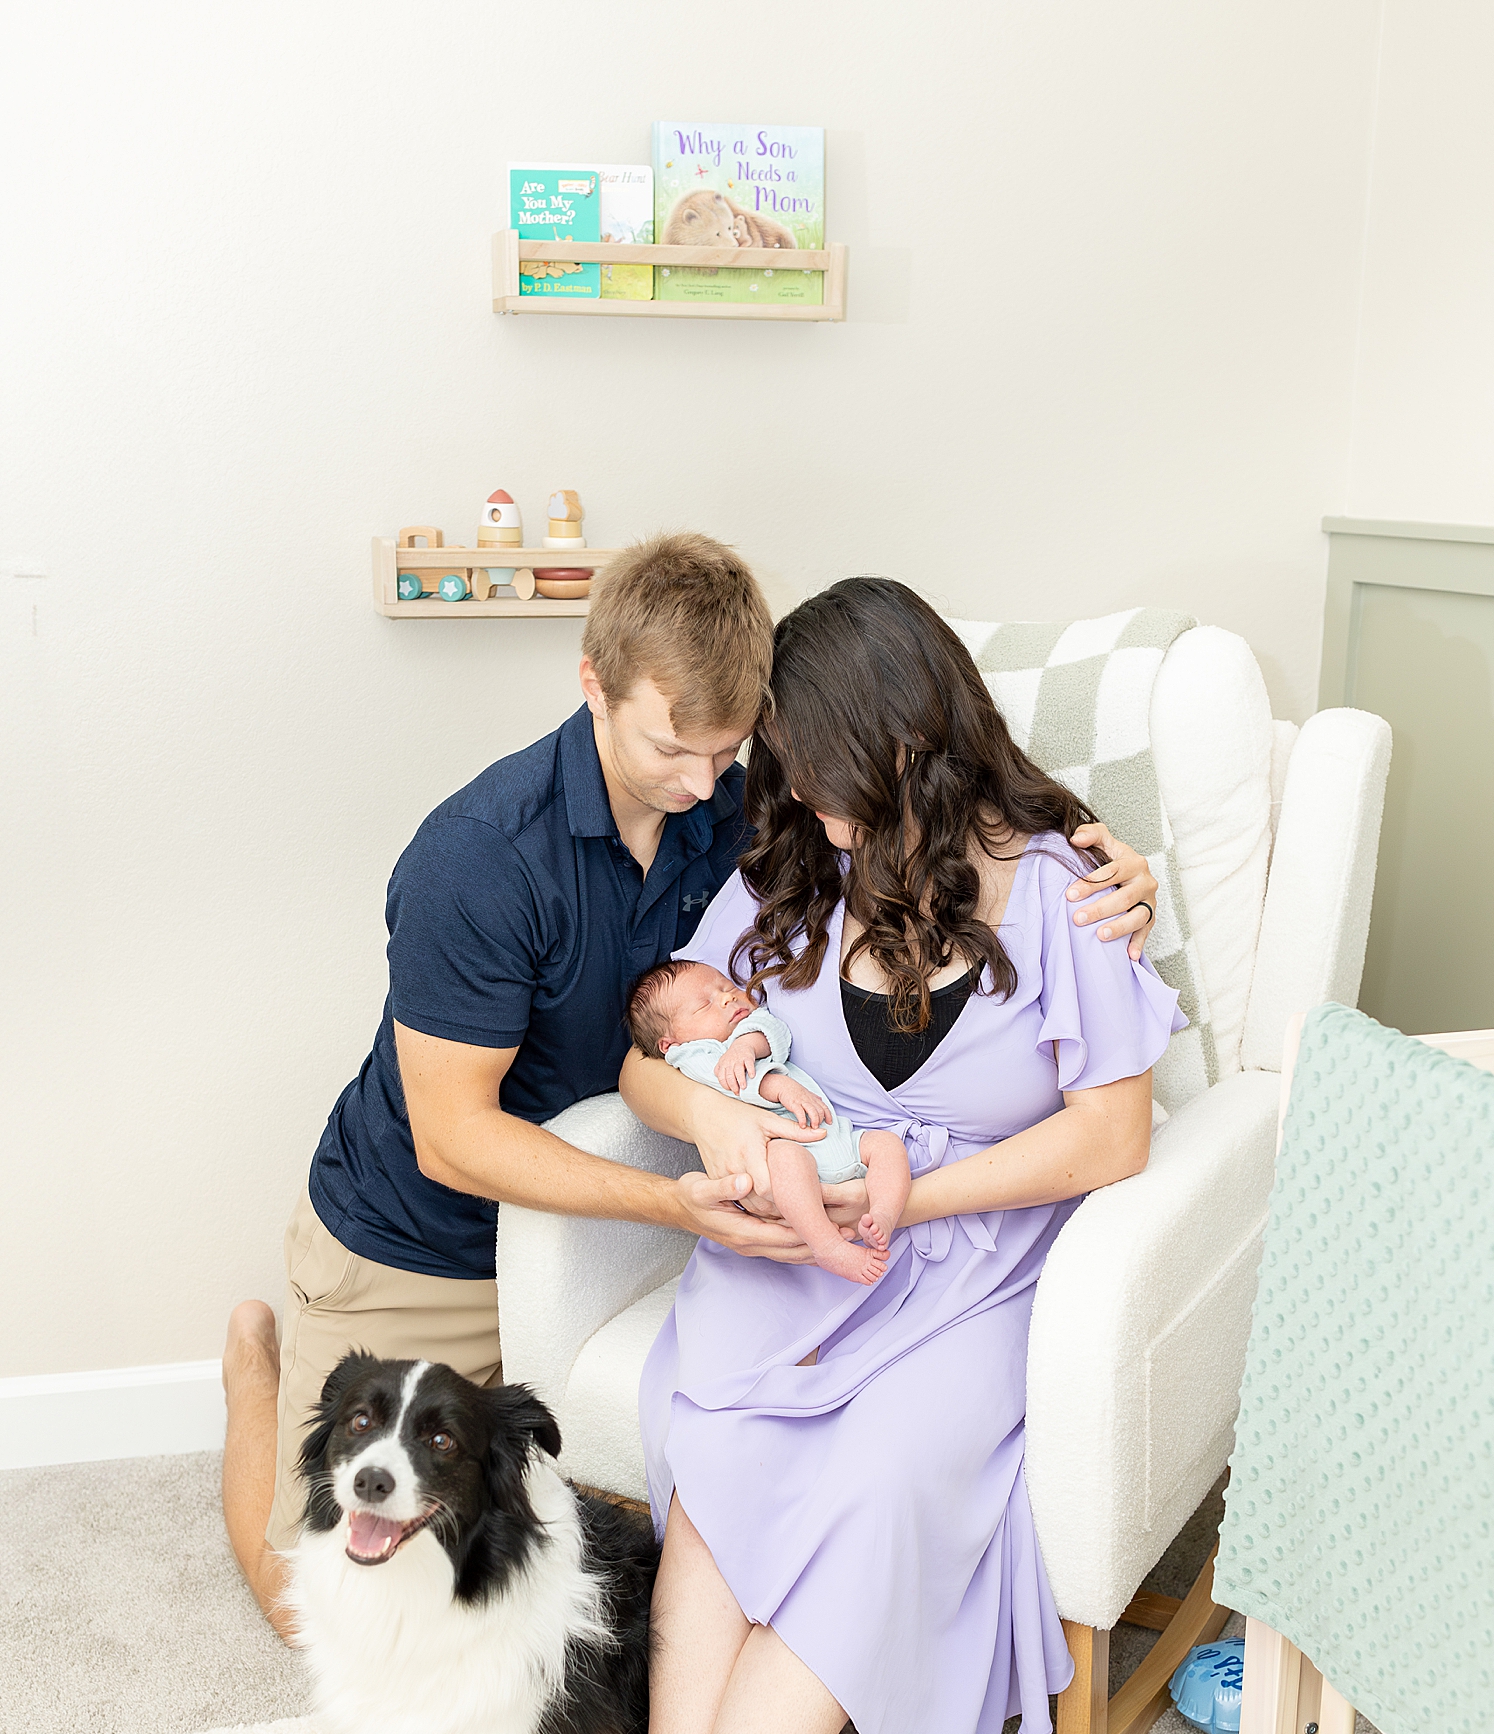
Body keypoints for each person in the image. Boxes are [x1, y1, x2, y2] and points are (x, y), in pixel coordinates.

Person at [222, 537, 1159, 1632]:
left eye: (729, 751)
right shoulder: (474, 858)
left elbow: (940, 816)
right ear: (594, 686)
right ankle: (254, 1371)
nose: (704, 784)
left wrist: (1117, 869)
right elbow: (452, 1138)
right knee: (326, 1606)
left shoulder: (742, 798)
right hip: (423, 1232)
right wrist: (674, 1196)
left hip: (629, 1218)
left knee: (534, 1559)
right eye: (674, 749)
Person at [560, 577, 1185, 1734]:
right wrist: (714, 1113)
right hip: (789, 1263)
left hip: (966, 1265)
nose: (806, 801)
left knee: (893, 1482)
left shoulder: (1058, 889)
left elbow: (1111, 1135)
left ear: (909, 744)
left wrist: (913, 1188)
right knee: (715, 1466)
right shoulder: (788, 876)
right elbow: (655, 1053)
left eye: (823, 769)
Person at [625, 956, 910, 1284]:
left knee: (886, 1145)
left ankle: (884, 1215)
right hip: (784, 1152)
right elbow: (730, 1082)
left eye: (726, 987)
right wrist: (779, 1085)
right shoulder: (690, 1055)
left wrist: (745, 1045)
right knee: (789, 1161)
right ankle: (827, 1244)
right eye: (705, 1005)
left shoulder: (748, 1029)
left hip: (836, 1140)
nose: (727, 997)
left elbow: (775, 1030)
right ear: (670, 1043)